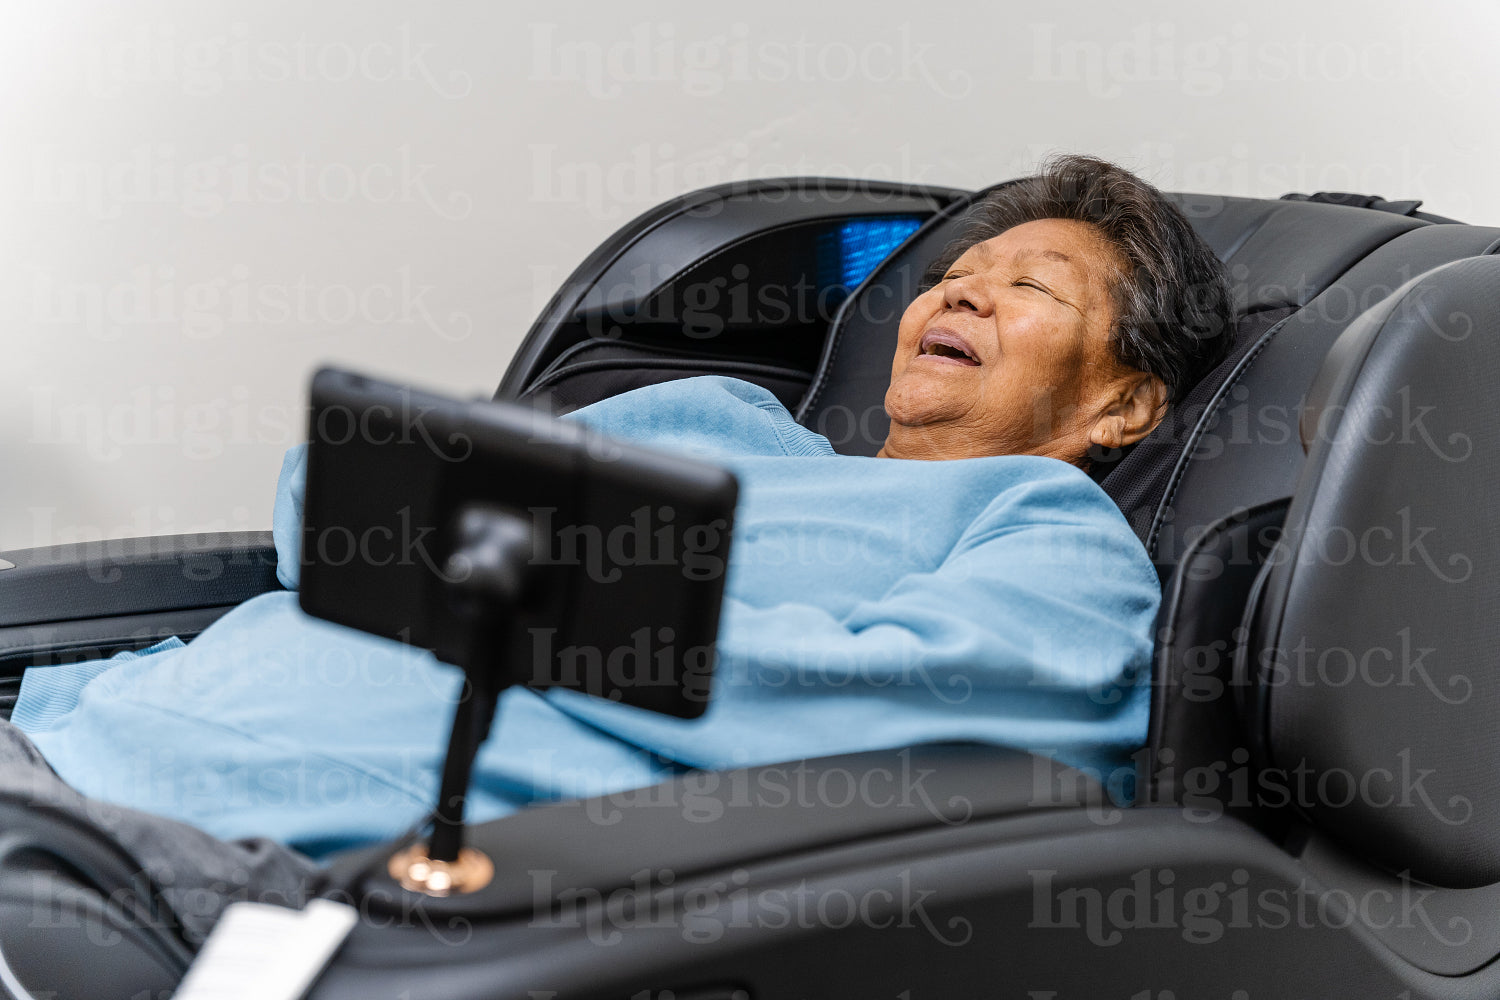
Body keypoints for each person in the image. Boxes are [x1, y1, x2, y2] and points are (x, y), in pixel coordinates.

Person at [1, 155, 1232, 937]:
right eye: (957, 274)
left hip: (209, 864)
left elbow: (939, 735)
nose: (960, 294)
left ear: (1122, 406)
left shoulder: (1041, 527)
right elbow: (338, 510)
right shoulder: (715, 420)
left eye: (1032, 289)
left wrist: (538, 598)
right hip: (75, 732)